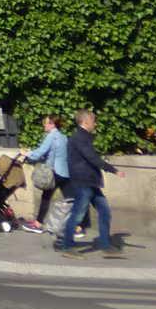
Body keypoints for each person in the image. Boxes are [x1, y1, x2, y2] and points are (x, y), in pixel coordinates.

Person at [55, 109, 122, 258]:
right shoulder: (79, 138)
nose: (95, 124)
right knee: (77, 215)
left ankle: (106, 246)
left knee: (104, 212)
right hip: (83, 182)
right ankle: (67, 246)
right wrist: (112, 169)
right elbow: (91, 157)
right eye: (93, 120)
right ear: (85, 122)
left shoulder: (84, 137)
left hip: (91, 182)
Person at [20, 113, 69, 235]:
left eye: (46, 123)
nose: (44, 126)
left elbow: (39, 153)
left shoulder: (51, 137)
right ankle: (77, 227)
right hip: (65, 173)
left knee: (46, 197)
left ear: (52, 125)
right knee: (70, 198)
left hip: (54, 172)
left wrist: (26, 153)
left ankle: (38, 224)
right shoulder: (63, 137)